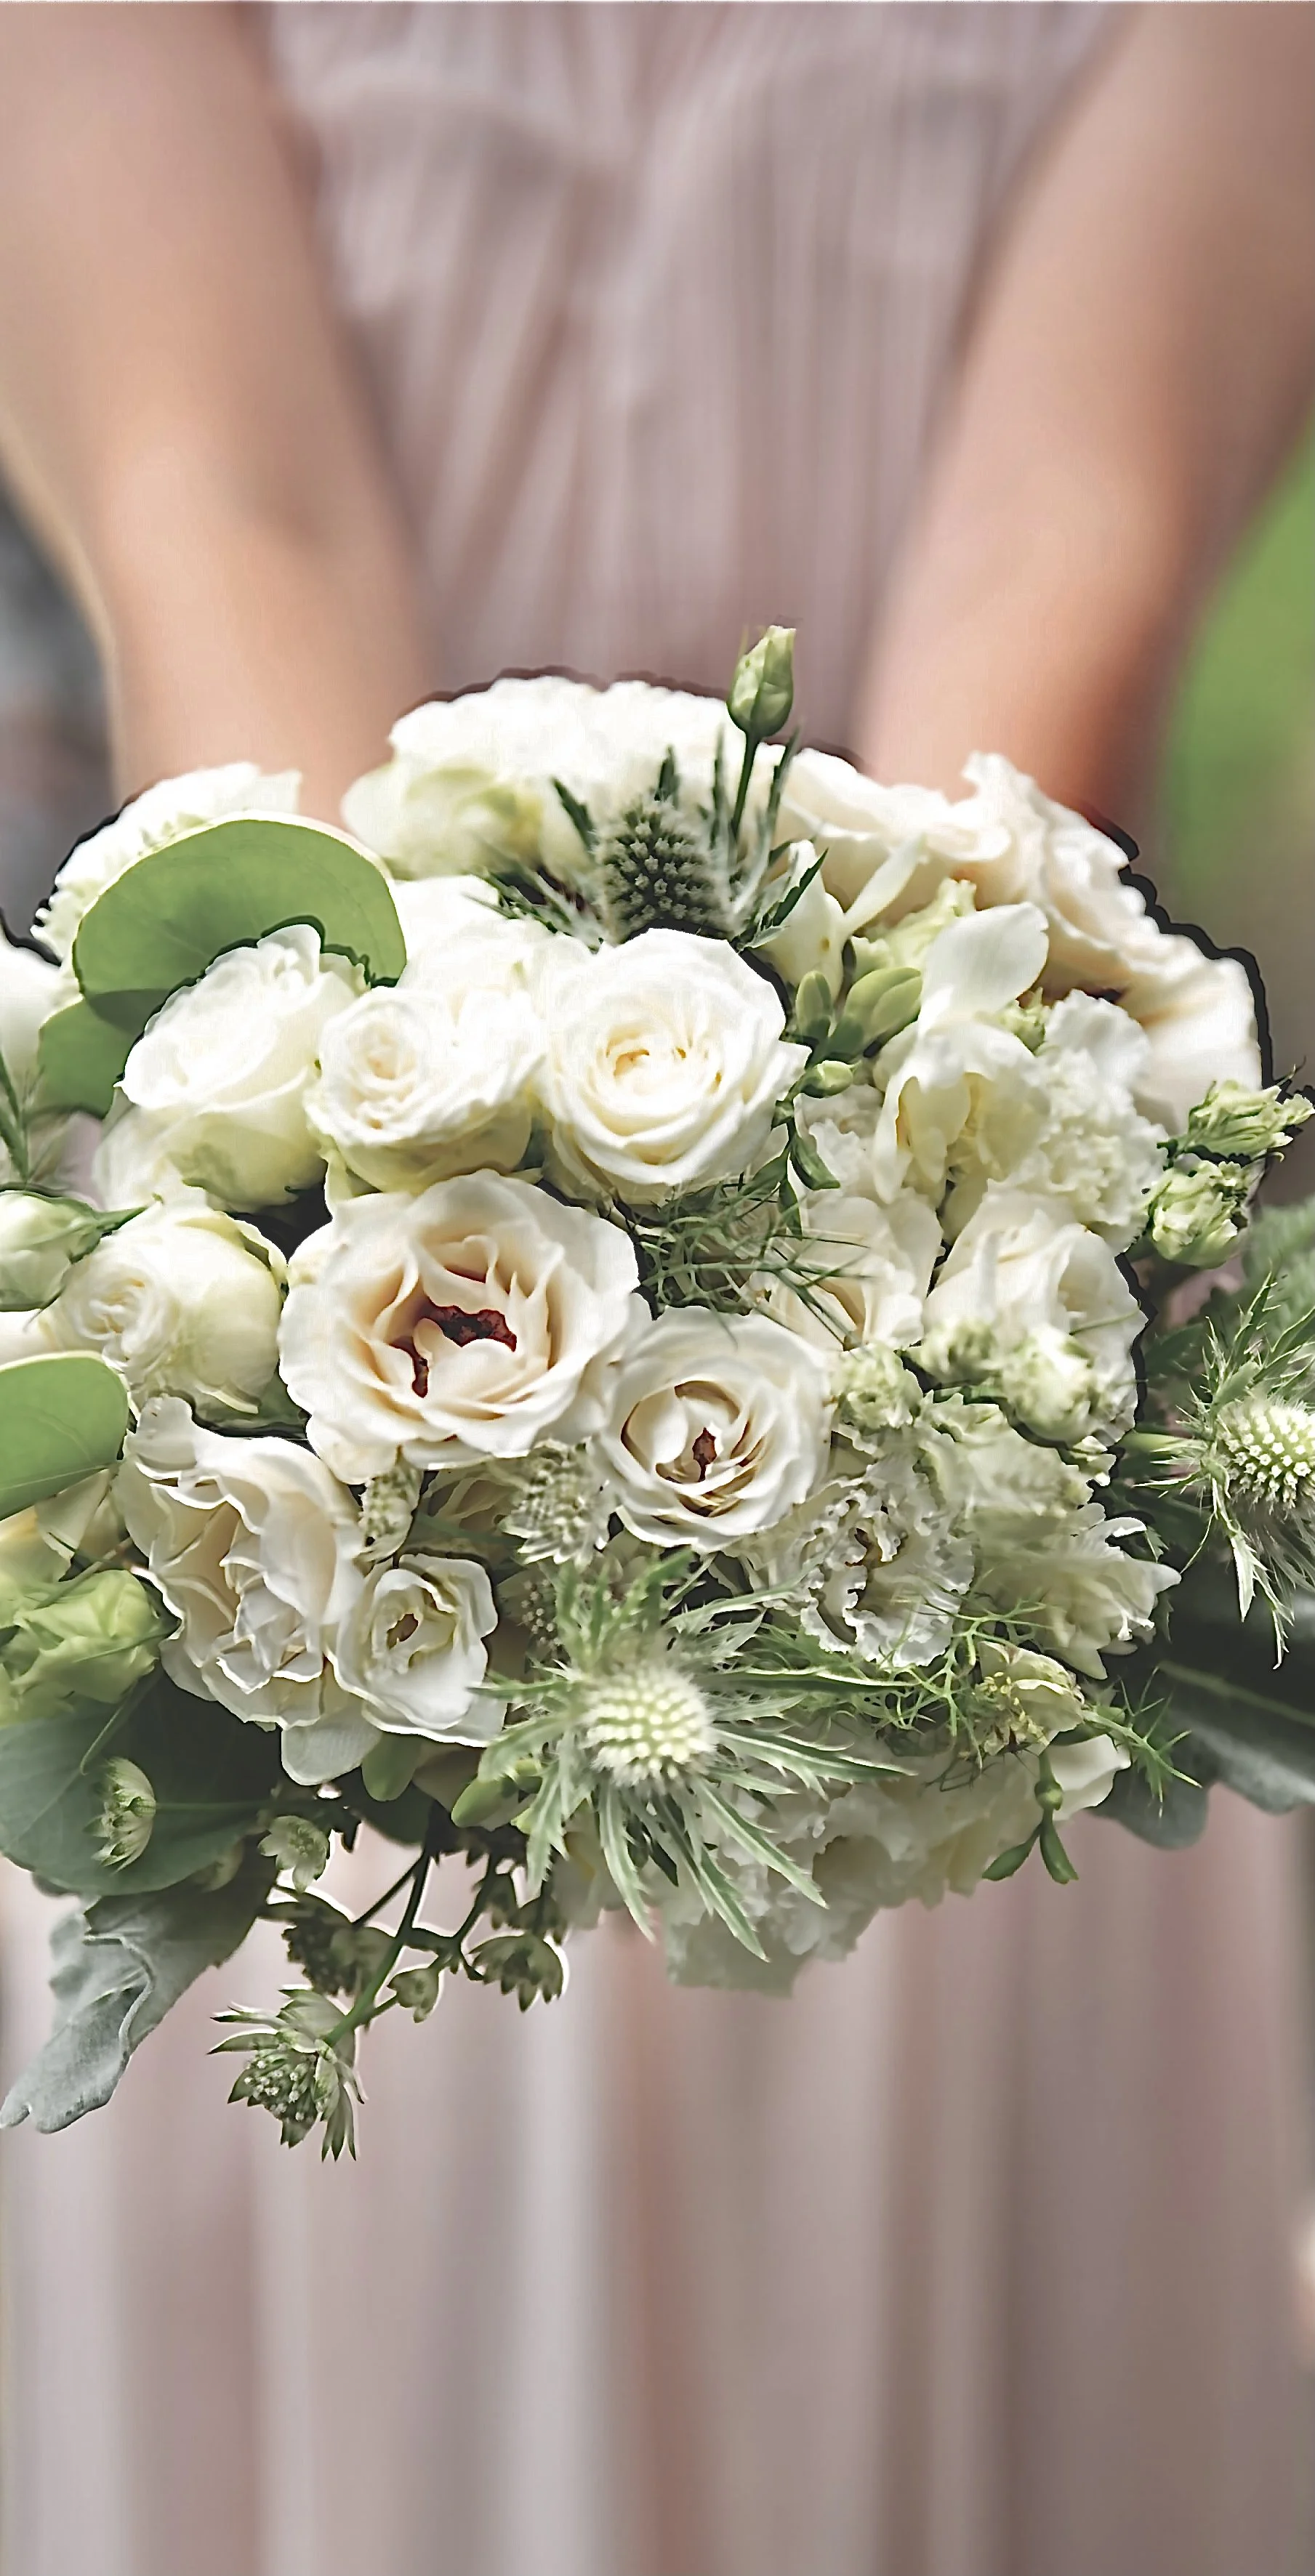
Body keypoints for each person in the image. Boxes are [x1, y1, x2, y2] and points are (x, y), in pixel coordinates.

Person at [0, 9, 1311, 2574]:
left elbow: (1059, 595)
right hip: (293, 1360)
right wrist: (373, 1298)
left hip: (965, 1281)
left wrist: (864, 1335)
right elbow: (226, 527)